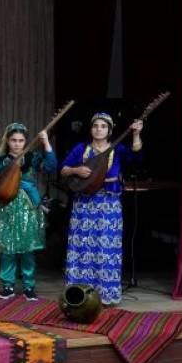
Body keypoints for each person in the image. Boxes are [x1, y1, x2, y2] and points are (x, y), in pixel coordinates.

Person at [60, 113, 143, 305]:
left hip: (108, 204)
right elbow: (63, 168)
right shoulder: (81, 149)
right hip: (84, 204)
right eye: (95, 126)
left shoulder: (118, 148)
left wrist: (137, 134)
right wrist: (76, 170)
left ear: (109, 130)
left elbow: (136, 157)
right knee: (82, 246)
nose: (99, 129)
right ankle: (78, 294)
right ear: (91, 129)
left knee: (106, 248)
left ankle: (105, 295)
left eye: (103, 126)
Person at [0, 123, 57, 301]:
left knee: (27, 248)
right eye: (13, 140)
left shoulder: (32, 157)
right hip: (5, 206)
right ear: (7, 141)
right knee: (8, 248)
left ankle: (29, 286)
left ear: (25, 142)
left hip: (27, 206)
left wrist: (46, 143)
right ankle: (8, 286)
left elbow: (51, 167)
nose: (17, 144)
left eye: (21, 141)